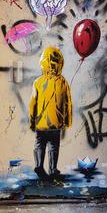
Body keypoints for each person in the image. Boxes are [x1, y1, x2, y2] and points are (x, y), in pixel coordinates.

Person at [29, 46, 72, 179]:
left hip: (41, 122)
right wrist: (67, 121)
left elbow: (32, 104)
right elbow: (67, 103)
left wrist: (32, 121)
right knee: (53, 146)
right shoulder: (63, 82)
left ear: (43, 63)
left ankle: (39, 165)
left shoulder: (38, 82)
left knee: (39, 143)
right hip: (56, 122)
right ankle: (53, 169)